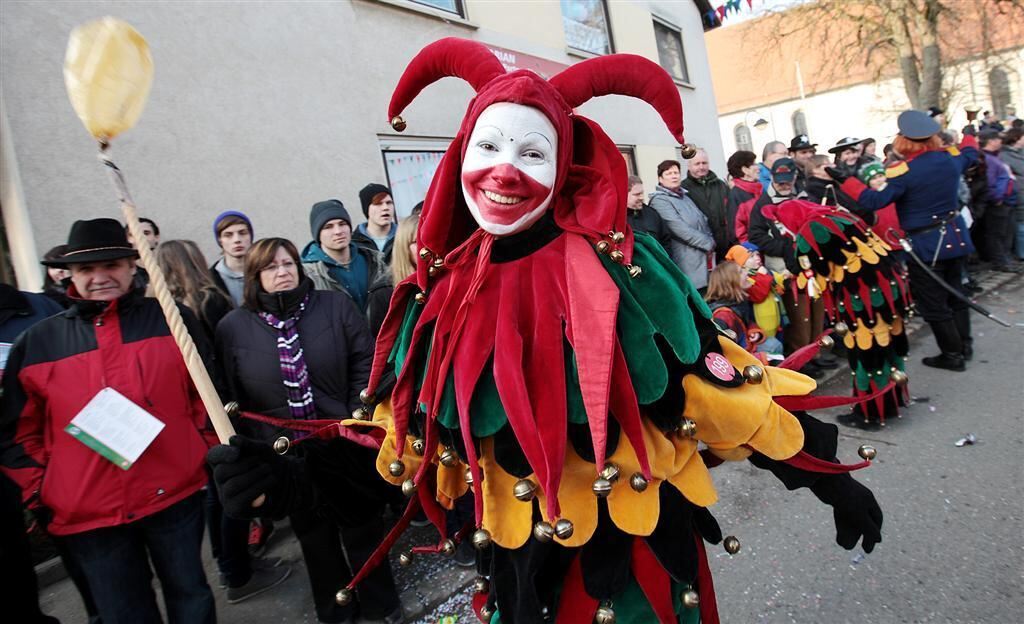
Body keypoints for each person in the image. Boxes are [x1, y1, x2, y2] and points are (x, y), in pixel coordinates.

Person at [209, 38, 882, 623]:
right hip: (516, 574)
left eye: (532, 151)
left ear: (563, 165)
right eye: (489, 146)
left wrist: (828, 475)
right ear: (461, 156)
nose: (505, 170)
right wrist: (294, 479)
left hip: (638, 565)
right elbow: (406, 447)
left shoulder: (624, 268)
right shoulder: (439, 291)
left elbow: (720, 388)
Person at [0, 218, 216, 624]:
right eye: (87, 269)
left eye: (112, 265)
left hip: (174, 495)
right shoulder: (38, 342)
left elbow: (208, 396)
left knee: (192, 599)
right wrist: (44, 489)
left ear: (132, 266)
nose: (100, 277)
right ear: (69, 274)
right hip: (88, 514)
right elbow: (15, 432)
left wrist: (201, 451)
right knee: (123, 615)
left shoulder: (172, 320)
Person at [215, 237, 401, 624]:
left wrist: (355, 412)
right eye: (271, 267)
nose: (282, 272)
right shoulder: (233, 328)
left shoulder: (332, 306)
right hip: (287, 454)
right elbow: (231, 395)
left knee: (364, 531)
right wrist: (258, 448)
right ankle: (337, 614)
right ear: (254, 276)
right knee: (316, 542)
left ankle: (382, 606)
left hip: (342, 441)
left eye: (288, 264)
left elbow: (365, 361)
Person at [831, 110, 979, 371]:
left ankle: (952, 355)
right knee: (957, 294)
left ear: (905, 141)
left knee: (934, 303)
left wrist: (845, 180)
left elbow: (875, 200)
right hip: (956, 238)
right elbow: (970, 154)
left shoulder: (905, 171)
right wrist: (969, 129)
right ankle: (964, 345)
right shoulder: (949, 158)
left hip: (926, 244)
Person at [766, 200, 911, 428]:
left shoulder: (810, 231)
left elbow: (808, 274)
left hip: (862, 298)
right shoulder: (837, 215)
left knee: (867, 351)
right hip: (888, 288)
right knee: (887, 344)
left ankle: (870, 413)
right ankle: (893, 400)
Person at [749, 157, 832, 377]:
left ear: (794, 177)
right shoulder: (763, 202)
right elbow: (755, 235)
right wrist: (785, 247)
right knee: (799, 316)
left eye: (787, 181)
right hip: (784, 268)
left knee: (815, 310)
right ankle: (800, 360)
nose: (784, 185)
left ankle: (815, 354)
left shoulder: (801, 195)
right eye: (780, 181)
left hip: (809, 266)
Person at [301, 199, 391, 317]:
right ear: (318, 234)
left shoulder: (374, 260)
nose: (338, 231)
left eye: (342, 224)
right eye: (328, 227)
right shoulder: (309, 274)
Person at [648, 159, 715, 289]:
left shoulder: (685, 197)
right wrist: (708, 243)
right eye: (668, 173)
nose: (674, 176)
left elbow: (703, 220)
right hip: (687, 262)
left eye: (676, 172)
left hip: (705, 259)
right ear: (660, 179)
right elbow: (678, 228)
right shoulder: (659, 201)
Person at [704, 261, 782, 358]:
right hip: (740, 359)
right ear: (731, 281)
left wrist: (753, 330)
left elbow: (746, 322)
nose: (746, 273)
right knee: (774, 346)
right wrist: (760, 358)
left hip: (746, 346)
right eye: (741, 272)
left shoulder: (738, 301)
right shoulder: (723, 315)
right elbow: (726, 353)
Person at [724, 243, 785, 347]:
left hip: (775, 316)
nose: (757, 258)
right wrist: (762, 276)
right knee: (774, 345)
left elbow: (777, 282)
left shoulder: (759, 271)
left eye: (757, 254)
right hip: (762, 321)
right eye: (751, 256)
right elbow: (758, 295)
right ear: (741, 264)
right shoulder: (746, 279)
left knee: (779, 341)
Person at [681, 148, 734, 261]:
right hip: (702, 250)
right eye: (697, 164)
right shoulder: (683, 190)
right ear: (689, 166)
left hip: (726, 246)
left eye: (704, 163)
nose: (701, 167)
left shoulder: (720, 185)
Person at [978, 129, 1019, 272]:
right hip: (998, 203)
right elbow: (989, 182)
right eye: (998, 139)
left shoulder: (995, 157)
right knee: (997, 234)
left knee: (1005, 232)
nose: (1000, 142)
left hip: (1006, 200)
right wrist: (997, 198)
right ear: (991, 141)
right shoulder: (988, 159)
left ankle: (1005, 259)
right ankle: (1000, 261)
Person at [210, 211, 254, 306]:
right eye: (228, 235)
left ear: (250, 236)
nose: (237, 240)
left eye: (242, 233)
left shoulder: (265, 271)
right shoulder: (209, 281)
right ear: (220, 240)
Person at [624, 175, 671, 251]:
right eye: (637, 194)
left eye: (642, 193)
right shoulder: (618, 220)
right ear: (624, 195)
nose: (642, 197)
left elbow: (666, 240)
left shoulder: (652, 214)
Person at [998, 127, 1024, 259]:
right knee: (1021, 223)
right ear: (1016, 138)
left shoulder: (1021, 152)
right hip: (1018, 191)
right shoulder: (1004, 155)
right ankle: (1021, 252)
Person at [353, 183, 397, 262]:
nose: (385, 208)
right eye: (378, 203)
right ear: (367, 209)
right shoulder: (354, 242)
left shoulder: (405, 236)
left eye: (389, 203)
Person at [728, 150, 764, 242]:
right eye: (754, 164)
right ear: (745, 170)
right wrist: (752, 251)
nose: (758, 168)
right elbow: (737, 233)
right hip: (755, 252)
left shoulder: (759, 190)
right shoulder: (736, 196)